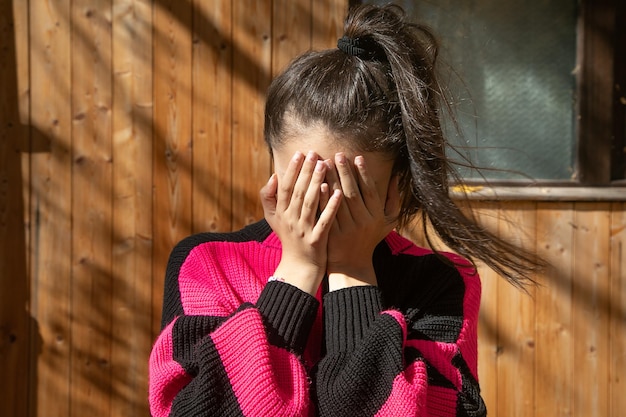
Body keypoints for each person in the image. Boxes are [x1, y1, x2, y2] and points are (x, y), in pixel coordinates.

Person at [149, 4, 540, 416]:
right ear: (273, 171)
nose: (323, 215)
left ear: (397, 184)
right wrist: (296, 272)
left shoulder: (441, 283)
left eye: (350, 195)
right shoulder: (207, 264)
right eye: (303, 188)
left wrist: (354, 275)